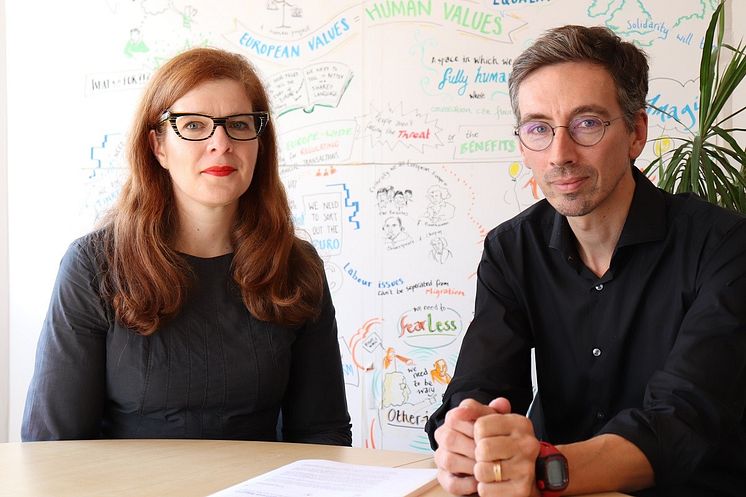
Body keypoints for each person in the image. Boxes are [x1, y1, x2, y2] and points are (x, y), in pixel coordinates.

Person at [425, 25, 746, 497]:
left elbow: (683, 419)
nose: (560, 155)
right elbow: (485, 383)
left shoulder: (723, 245)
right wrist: (467, 434)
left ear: (636, 133)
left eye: (587, 123)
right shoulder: (510, 250)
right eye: (538, 129)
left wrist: (545, 468)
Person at [22, 47, 352, 445]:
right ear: (158, 146)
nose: (221, 142)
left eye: (240, 124)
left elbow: (322, 434)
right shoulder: (94, 266)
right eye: (193, 126)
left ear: (259, 143)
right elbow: (53, 445)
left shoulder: (298, 266)